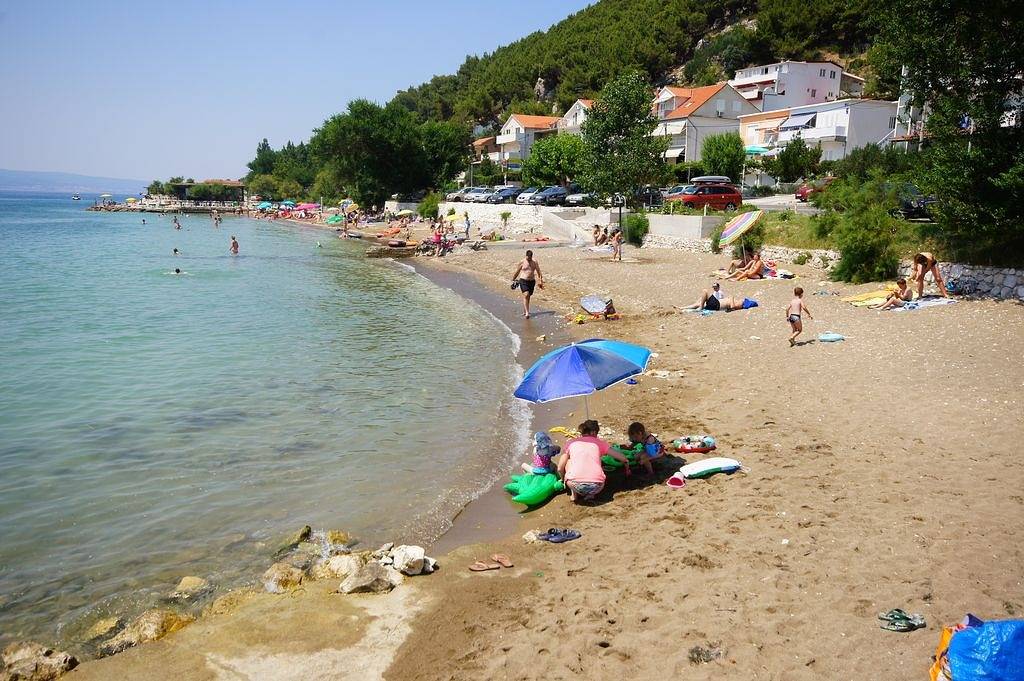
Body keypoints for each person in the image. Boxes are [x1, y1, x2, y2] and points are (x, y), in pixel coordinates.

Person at [557, 420, 630, 503]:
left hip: (574, 484)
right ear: (594, 432)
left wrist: (563, 480)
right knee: (596, 463)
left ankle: (574, 495)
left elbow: (560, 468)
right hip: (597, 486)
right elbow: (624, 459)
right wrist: (627, 470)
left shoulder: (571, 443)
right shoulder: (600, 443)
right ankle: (591, 495)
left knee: (569, 461)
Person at [511, 249, 544, 319]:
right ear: (526, 256)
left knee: (528, 296)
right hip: (523, 280)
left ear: (531, 256)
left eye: (530, 258)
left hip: (532, 281)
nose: (529, 260)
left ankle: (525, 309)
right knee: (526, 295)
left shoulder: (534, 262)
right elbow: (517, 271)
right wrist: (513, 279)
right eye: (528, 258)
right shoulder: (522, 262)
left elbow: (539, 272)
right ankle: (527, 313)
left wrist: (540, 281)